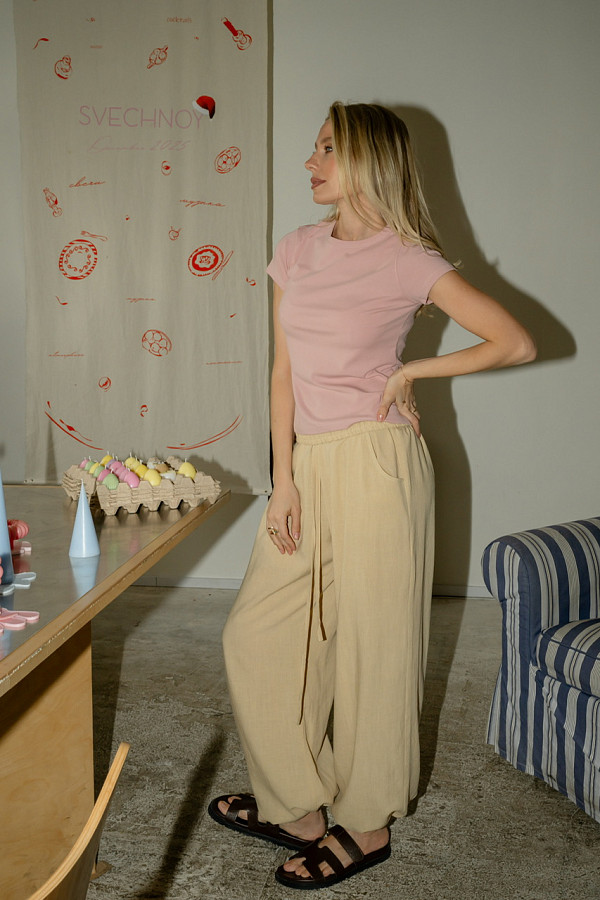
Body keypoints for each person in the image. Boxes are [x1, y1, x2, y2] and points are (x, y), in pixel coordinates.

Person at [208, 101, 536, 890]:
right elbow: (283, 373)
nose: (312, 161)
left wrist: (414, 370)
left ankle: (366, 824)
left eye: (328, 148)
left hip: (377, 463)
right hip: (309, 463)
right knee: (256, 635)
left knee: (373, 648)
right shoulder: (296, 248)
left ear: (368, 160)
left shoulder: (408, 260)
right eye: (314, 148)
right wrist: (283, 480)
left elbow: (515, 341)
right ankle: (297, 805)